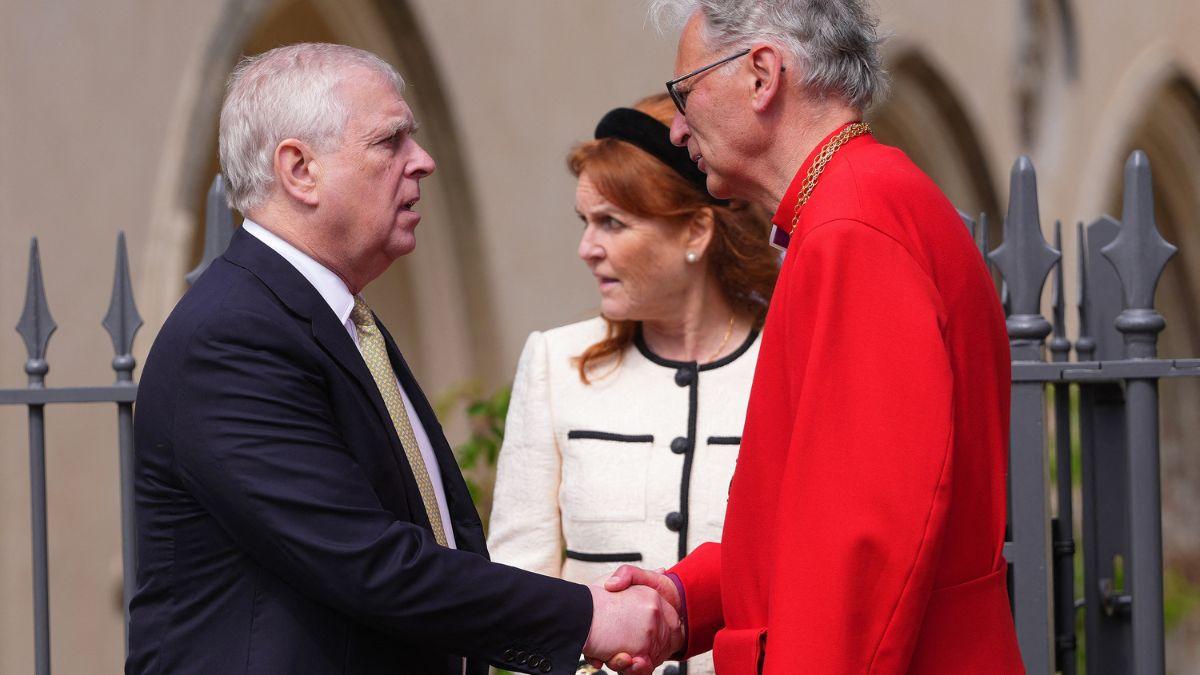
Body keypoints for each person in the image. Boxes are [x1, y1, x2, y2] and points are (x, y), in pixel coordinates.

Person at [127, 43, 681, 675]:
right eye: (390, 142)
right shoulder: (232, 337)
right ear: (299, 169)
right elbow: (363, 559)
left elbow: (431, 542)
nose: (423, 161)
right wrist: (587, 617)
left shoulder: (336, 319)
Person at [605, 2, 1027, 673]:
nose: (679, 127)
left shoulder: (853, 224)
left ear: (762, 75)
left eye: (685, 93)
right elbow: (813, 517)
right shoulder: (858, 203)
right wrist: (692, 599)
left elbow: (863, 548)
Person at [487, 93, 778, 675]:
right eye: (586, 222)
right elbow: (520, 581)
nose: (587, 248)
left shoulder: (783, 363)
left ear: (695, 230)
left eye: (612, 223)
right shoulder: (555, 362)